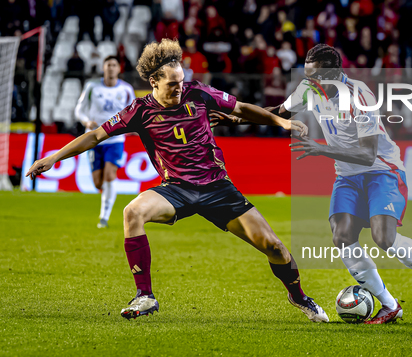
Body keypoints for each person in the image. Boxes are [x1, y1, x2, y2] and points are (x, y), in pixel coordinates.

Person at [27, 39, 328, 323]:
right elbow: (95, 136)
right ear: (153, 82)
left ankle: (300, 297)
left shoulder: (198, 93)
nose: (179, 88)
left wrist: (281, 121)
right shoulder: (140, 110)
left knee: (274, 247)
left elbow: (240, 109)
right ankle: (145, 296)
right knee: (132, 212)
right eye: (173, 84)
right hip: (176, 190)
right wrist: (53, 158)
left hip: (217, 188)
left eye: (182, 81)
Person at [211, 44, 412, 324]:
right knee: (342, 238)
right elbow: (280, 112)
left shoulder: (359, 96)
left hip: (382, 171)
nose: (311, 81)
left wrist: (320, 149)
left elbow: (367, 155)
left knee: (384, 238)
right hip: (346, 176)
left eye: (316, 76)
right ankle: (390, 305)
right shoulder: (309, 88)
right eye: (308, 75)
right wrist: (235, 120)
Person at [74, 56, 135, 228]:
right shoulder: (92, 86)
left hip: (116, 139)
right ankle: (104, 205)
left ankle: (104, 217)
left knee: (110, 175)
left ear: (119, 69)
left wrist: (131, 127)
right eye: (108, 65)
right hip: (94, 138)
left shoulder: (126, 89)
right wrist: (86, 121)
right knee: (98, 182)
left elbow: (133, 112)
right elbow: (79, 108)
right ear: (103, 68)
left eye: (114, 65)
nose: (110, 68)